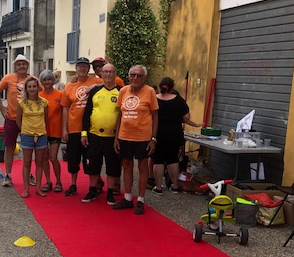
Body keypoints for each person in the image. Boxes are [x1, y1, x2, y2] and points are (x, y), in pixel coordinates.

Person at [113, 65, 158, 215]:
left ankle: (140, 200)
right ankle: (127, 197)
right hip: (125, 136)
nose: (135, 78)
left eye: (139, 75)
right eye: (133, 75)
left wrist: (153, 139)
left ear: (144, 78)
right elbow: (119, 115)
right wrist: (116, 137)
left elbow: (155, 116)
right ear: (129, 76)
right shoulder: (123, 91)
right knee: (126, 166)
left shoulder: (150, 91)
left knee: (143, 167)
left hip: (143, 137)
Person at [152, 77, 204, 193]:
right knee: (172, 160)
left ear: (160, 86)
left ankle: (159, 187)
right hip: (174, 134)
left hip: (158, 134)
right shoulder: (179, 100)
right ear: (172, 87)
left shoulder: (154, 99)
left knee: (158, 160)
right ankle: (175, 186)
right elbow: (186, 118)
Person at [80, 64, 122, 205]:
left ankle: (110, 193)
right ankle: (93, 190)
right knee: (93, 164)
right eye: (105, 72)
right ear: (101, 74)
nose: (108, 74)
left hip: (113, 137)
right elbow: (87, 113)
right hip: (94, 135)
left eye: (111, 72)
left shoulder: (121, 91)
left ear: (115, 74)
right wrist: (84, 133)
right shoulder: (95, 91)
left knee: (112, 165)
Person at [0, 54, 38, 188]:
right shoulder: (8, 78)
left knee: (28, 149)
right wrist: (1, 108)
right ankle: (7, 175)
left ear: (27, 65)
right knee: (9, 147)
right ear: (15, 66)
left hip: (28, 120)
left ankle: (28, 174)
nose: (21, 66)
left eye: (24, 64)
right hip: (12, 118)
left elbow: (42, 93)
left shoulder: (33, 79)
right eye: (19, 64)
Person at [61, 57, 102, 196]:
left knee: (91, 158)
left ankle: (94, 184)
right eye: (80, 66)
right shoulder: (69, 86)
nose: (83, 68)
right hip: (74, 127)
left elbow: (110, 83)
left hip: (91, 128)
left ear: (89, 69)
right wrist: (64, 129)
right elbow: (65, 108)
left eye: (85, 66)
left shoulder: (96, 81)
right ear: (76, 69)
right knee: (73, 158)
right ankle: (73, 184)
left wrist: (92, 87)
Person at [16, 76, 49, 198]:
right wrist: (24, 130)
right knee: (27, 162)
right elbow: (18, 120)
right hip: (27, 135)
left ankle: (38, 188)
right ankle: (26, 189)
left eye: (34, 86)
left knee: (39, 162)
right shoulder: (22, 103)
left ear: (38, 88)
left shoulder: (44, 102)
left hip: (41, 135)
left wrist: (41, 129)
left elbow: (46, 118)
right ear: (26, 88)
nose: (32, 89)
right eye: (29, 87)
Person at [39, 69, 63, 192]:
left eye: (49, 79)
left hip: (56, 130)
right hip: (42, 131)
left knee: (53, 157)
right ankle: (48, 181)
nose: (47, 82)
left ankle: (59, 181)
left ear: (53, 81)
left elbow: (65, 113)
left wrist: (65, 129)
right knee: (44, 157)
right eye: (44, 80)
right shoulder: (38, 96)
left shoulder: (60, 94)